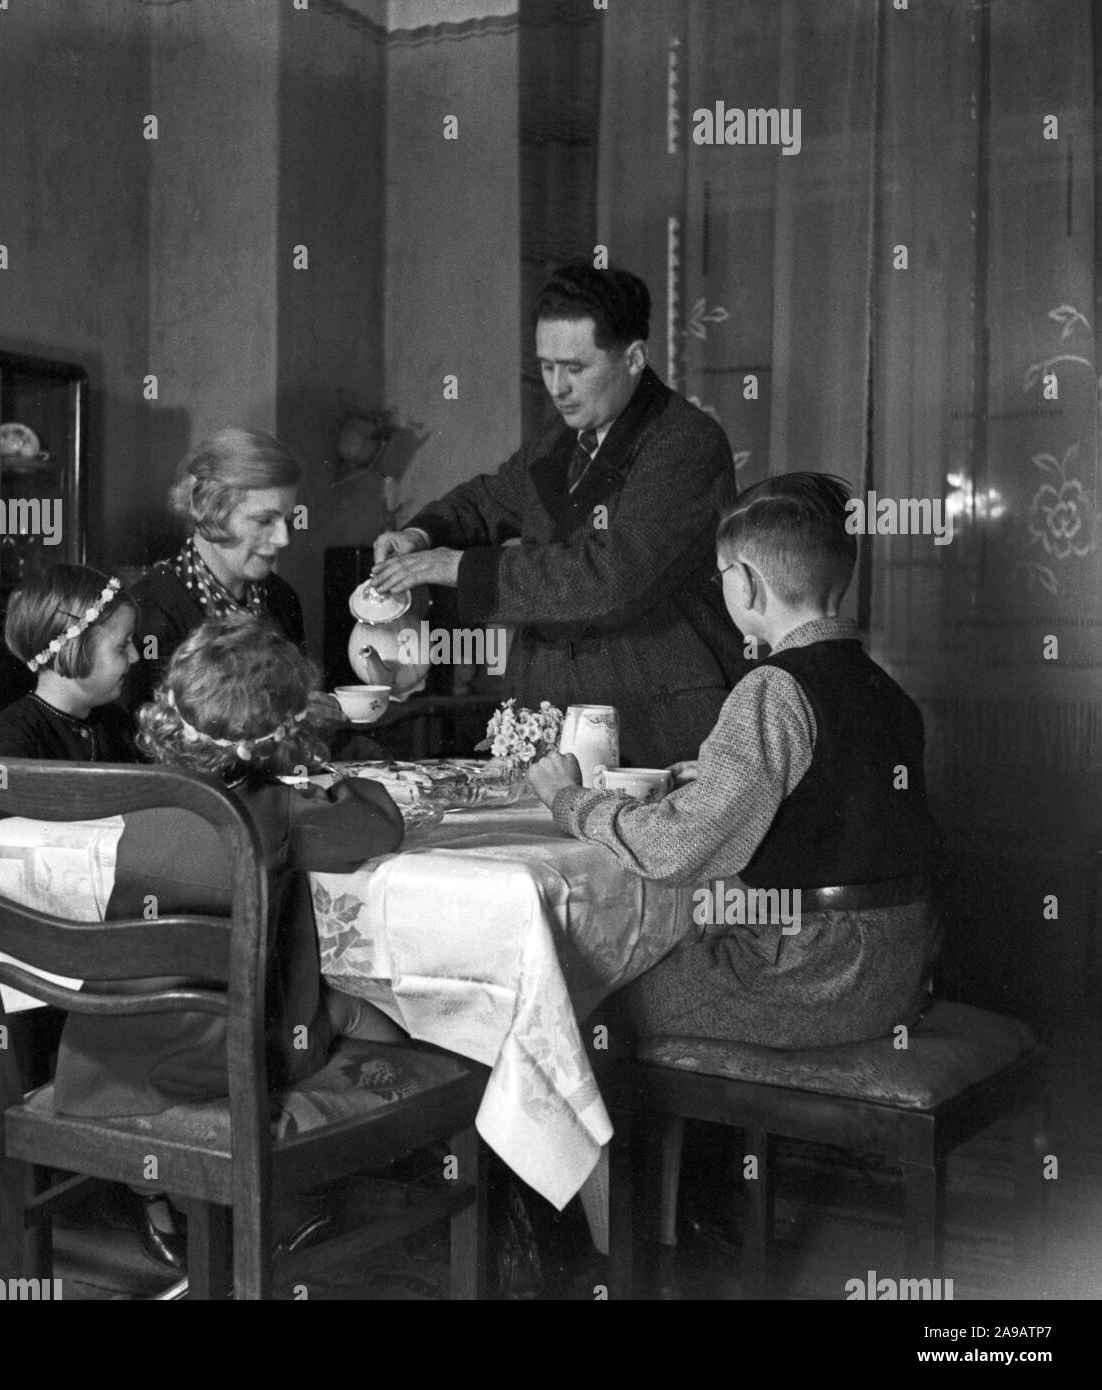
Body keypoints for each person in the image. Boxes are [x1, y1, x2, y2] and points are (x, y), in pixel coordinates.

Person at [527, 473, 944, 1049]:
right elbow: (841, 800)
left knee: (581, 1009)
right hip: (901, 973)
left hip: (813, 975)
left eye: (721, 575)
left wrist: (569, 801)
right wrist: (725, 780)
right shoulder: (886, 689)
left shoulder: (772, 688)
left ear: (745, 584)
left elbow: (680, 848)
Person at [54, 616, 407, 1262]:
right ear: (271, 742)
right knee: (367, 1012)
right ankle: (313, 1186)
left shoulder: (144, 798)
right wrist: (331, 781)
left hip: (100, 1061)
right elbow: (381, 827)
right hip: (226, 1063)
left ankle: (174, 1196)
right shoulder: (278, 811)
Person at [368, 260, 747, 767]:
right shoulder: (559, 442)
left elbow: (608, 577)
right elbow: (488, 499)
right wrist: (419, 534)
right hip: (551, 726)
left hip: (658, 730)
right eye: (546, 366)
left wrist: (454, 567)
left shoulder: (686, 445)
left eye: (575, 368)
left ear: (634, 358)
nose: (557, 387)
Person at [123, 428, 306, 714]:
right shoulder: (148, 612)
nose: (283, 538)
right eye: (264, 520)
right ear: (211, 510)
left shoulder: (282, 599)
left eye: (287, 520)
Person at [0, 563, 141, 762]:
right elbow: (2, 789)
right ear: (73, 648)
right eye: (123, 645)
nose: (135, 656)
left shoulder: (117, 725)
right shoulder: (14, 735)